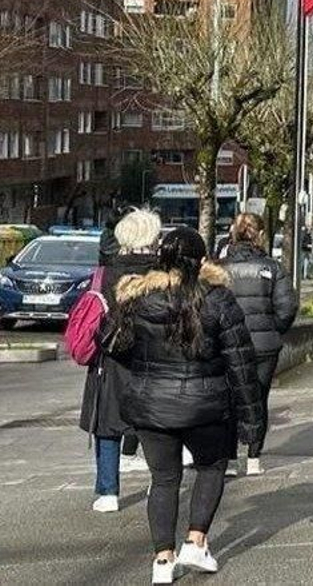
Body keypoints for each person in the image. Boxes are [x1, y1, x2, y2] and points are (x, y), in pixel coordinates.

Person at [107, 227, 263, 584]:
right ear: (202, 260)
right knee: (211, 468)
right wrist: (252, 421)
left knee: (163, 480)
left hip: (150, 407)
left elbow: (111, 343)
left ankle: (162, 562)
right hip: (205, 406)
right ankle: (196, 540)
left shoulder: (139, 297)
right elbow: (241, 362)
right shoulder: (218, 300)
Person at [80, 208, 161, 514]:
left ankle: (107, 490)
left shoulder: (104, 273)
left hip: (110, 358)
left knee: (107, 425)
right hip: (153, 359)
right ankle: (160, 480)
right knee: (155, 424)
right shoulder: (161, 275)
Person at [219, 213, 297, 476]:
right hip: (264, 346)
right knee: (259, 398)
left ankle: (229, 458)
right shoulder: (273, 268)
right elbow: (287, 308)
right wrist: (273, 329)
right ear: (260, 234)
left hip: (228, 344)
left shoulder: (220, 268)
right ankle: (254, 457)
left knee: (229, 401)